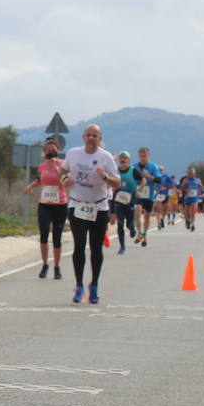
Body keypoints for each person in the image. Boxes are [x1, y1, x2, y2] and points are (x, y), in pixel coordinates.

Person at [58, 124, 119, 304]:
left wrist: (105, 177)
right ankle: (78, 286)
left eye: (95, 136)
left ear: (100, 139)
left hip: (99, 207)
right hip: (77, 205)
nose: (91, 138)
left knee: (95, 248)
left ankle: (94, 285)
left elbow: (117, 183)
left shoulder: (106, 157)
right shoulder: (73, 154)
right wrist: (64, 180)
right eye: (89, 135)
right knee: (79, 246)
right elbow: (62, 170)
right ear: (83, 137)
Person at [23, 136, 68, 279]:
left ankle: (57, 267)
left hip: (60, 204)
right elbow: (40, 180)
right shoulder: (41, 167)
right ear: (44, 152)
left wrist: (56, 167)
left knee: (57, 237)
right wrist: (30, 186)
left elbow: (65, 181)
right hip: (45, 204)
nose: (51, 153)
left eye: (53, 150)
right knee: (43, 234)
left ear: (58, 150)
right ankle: (44, 264)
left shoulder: (63, 164)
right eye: (48, 151)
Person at [132, 147, 161, 246]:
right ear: (138, 156)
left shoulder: (153, 167)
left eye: (145, 156)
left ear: (148, 156)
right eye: (141, 156)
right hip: (138, 192)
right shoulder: (134, 166)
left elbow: (159, 180)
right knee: (137, 211)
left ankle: (144, 234)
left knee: (147, 216)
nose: (143, 158)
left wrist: (148, 176)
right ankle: (139, 232)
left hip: (149, 194)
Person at [112, 151, 138, 253]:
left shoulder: (133, 170)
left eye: (125, 158)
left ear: (128, 160)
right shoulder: (115, 171)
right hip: (118, 200)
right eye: (121, 158)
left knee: (129, 223)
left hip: (130, 201)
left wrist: (139, 190)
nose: (123, 159)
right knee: (120, 223)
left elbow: (143, 180)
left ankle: (131, 227)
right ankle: (122, 246)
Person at [179, 167, 203, 232]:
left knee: (193, 211)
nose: (191, 175)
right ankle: (187, 221)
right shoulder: (185, 180)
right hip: (187, 197)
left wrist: (200, 193)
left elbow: (201, 188)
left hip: (195, 198)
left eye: (192, 173)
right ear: (187, 174)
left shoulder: (198, 180)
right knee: (187, 212)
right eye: (189, 174)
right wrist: (184, 187)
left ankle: (193, 224)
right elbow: (181, 188)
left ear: (195, 174)